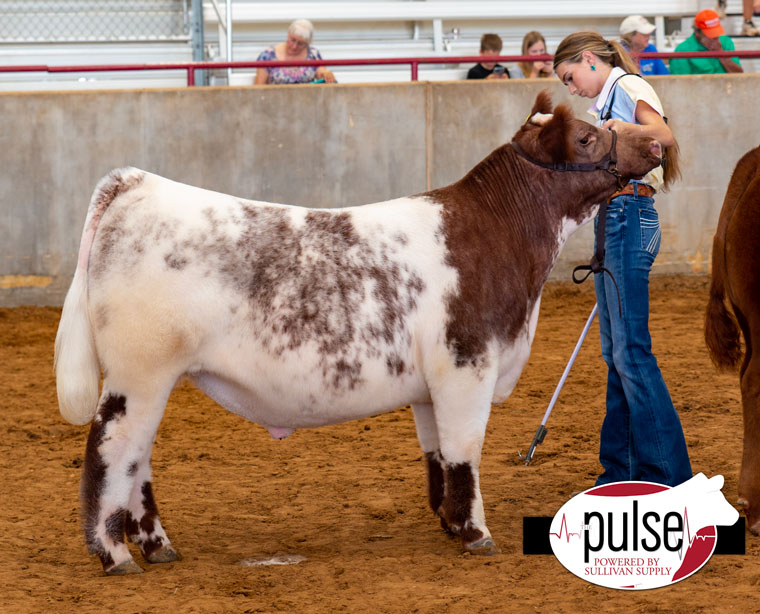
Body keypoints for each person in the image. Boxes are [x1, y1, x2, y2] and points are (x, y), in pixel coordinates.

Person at [553, 31, 692, 487]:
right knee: (618, 353)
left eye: (570, 77)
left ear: (589, 60)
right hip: (617, 216)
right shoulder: (609, 98)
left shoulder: (628, 88)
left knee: (630, 352)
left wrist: (618, 129)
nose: (571, 88)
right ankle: (622, 471)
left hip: (628, 216)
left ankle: (668, 478)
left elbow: (664, 135)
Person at [255, 19, 336, 85]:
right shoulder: (267, 56)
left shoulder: (313, 54)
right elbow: (258, 89)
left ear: (307, 44)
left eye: (300, 44)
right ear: (288, 35)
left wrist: (326, 74)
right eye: (292, 40)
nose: (294, 46)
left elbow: (322, 74)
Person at [669, 9, 743, 74]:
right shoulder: (682, 51)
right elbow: (680, 84)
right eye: (710, 34)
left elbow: (739, 76)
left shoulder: (726, 42)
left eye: (716, 32)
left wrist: (721, 53)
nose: (716, 37)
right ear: (697, 32)